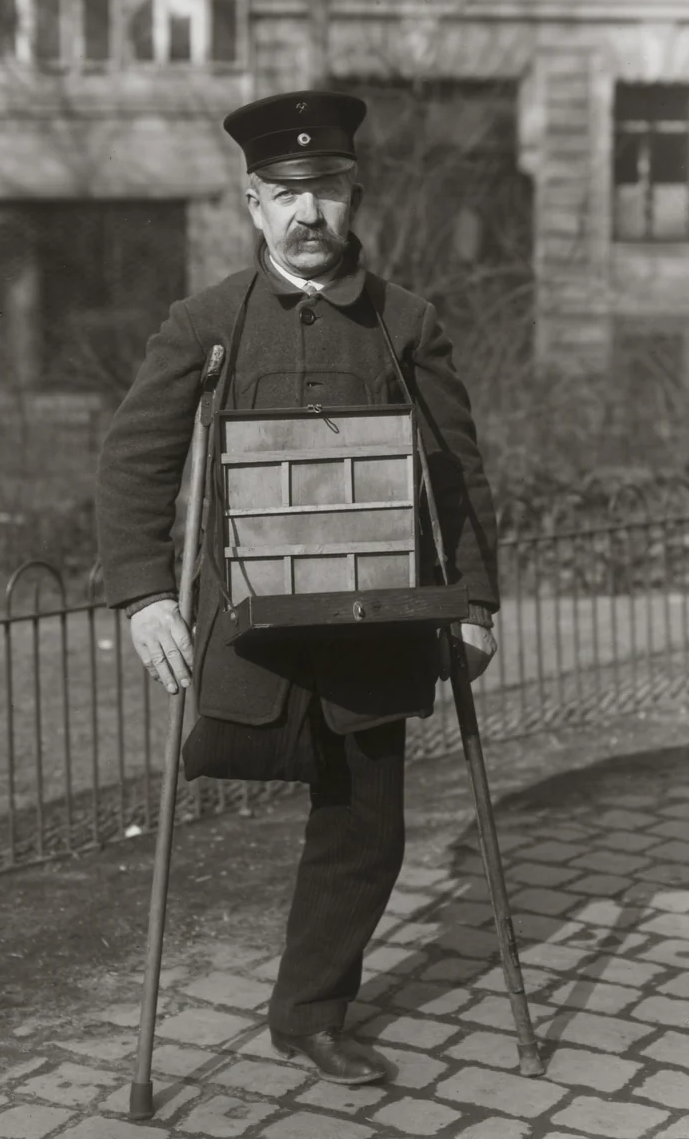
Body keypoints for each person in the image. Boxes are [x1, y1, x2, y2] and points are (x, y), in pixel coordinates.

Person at [96, 90, 500, 1085]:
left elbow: (456, 471)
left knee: (368, 830)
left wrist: (477, 601)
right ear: (252, 203)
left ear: (352, 193)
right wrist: (146, 596)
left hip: (374, 628)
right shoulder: (208, 324)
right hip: (251, 633)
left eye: (324, 189)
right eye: (285, 193)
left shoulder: (406, 324)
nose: (307, 213)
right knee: (226, 754)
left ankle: (311, 1012)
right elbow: (134, 462)